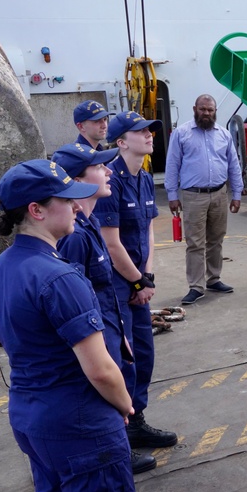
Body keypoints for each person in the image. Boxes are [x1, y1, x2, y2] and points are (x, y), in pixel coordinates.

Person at [0, 159, 179, 492]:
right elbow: (101, 370)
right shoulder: (60, 277)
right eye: (64, 199)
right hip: (79, 423)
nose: (74, 205)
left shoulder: (4, 268)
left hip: (32, 415)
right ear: (36, 210)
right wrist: (126, 406)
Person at [52, 143, 157, 492]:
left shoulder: (89, 224)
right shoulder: (75, 238)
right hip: (95, 353)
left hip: (111, 333)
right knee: (104, 438)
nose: (109, 171)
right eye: (99, 167)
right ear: (77, 182)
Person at [97, 111, 179, 451]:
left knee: (143, 353)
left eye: (150, 131)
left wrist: (147, 276)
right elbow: (111, 243)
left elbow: (147, 230)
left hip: (137, 280)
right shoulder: (110, 181)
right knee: (122, 356)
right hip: (116, 285)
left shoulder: (145, 177)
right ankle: (120, 428)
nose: (149, 136)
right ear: (121, 142)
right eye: (140, 131)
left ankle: (137, 418)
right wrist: (135, 283)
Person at [165, 94, 243, 305]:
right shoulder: (182, 134)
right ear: (195, 109)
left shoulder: (224, 135)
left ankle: (214, 279)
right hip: (193, 196)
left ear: (215, 111)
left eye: (210, 110)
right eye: (203, 109)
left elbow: (233, 166)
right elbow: (172, 165)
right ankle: (196, 286)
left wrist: (236, 194)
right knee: (195, 243)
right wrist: (172, 195)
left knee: (216, 240)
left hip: (219, 194)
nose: (207, 113)